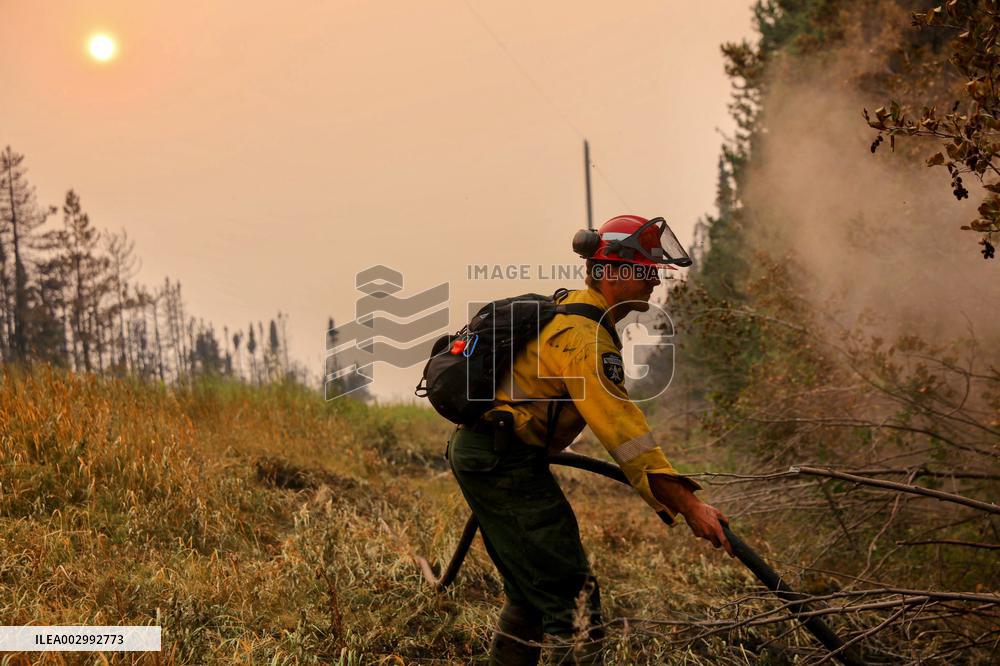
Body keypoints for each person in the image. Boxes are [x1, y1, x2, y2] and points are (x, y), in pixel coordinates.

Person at [447, 214, 733, 665]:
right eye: (645, 268)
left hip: (496, 456)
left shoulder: (578, 312)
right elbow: (625, 433)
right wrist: (690, 505)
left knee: (530, 598)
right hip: (502, 464)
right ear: (614, 272)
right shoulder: (584, 339)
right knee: (573, 605)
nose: (655, 278)